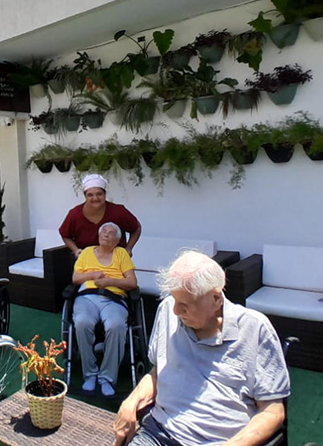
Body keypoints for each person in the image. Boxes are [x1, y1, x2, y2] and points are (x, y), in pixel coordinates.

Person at [112, 251, 290, 446]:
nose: (176, 311)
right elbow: (157, 373)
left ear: (215, 299)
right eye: (174, 300)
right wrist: (131, 402)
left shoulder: (255, 328)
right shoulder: (168, 311)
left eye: (184, 304)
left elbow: (273, 411)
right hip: (158, 433)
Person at [72, 222, 137, 398]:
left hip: (114, 298)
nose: (105, 234)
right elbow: (76, 278)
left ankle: (106, 377)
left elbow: (132, 283)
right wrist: (93, 275)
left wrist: (109, 282)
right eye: (103, 232)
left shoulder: (121, 254)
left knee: (116, 325)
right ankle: (90, 374)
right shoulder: (86, 252)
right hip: (87, 297)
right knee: (82, 322)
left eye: (110, 233)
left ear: (117, 240)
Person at [60, 173, 142, 257]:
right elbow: (65, 235)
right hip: (87, 262)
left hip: (116, 261)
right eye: (90, 195)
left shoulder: (118, 212)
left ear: (105, 194)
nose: (95, 198)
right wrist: (76, 250)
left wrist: (128, 248)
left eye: (99, 194)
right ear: (85, 196)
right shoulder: (75, 214)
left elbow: (136, 228)